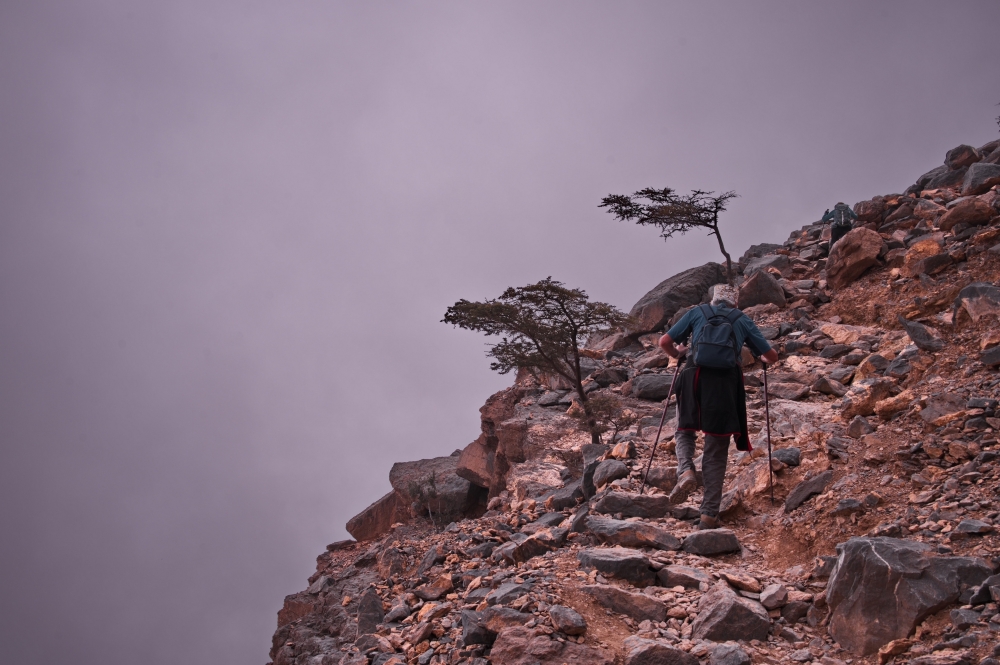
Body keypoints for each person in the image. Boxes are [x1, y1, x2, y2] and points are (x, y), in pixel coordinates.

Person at [658, 284, 779, 530]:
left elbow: (665, 341)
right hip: (725, 383)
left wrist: (679, 353)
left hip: (694, 375)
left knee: (684, 429)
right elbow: (771, 355)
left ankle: (686, 470)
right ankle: (709, 514)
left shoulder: (697, 313)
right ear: (735, 301)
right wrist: (762, 358)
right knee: (716, 445)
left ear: (714, 299)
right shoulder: (742, 319)